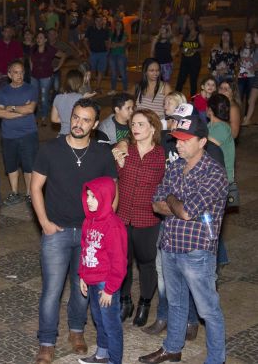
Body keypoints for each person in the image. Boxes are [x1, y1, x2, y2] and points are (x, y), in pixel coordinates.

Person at [31, 98, 118, 364]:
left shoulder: (102, 153)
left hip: (89, 234)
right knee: (52, 290)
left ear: (95, 124)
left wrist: (102, 227)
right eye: (76, 117)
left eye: (86, 120)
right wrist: (44, 222)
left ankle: (77, 330)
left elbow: (113, 193)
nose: (79, 124)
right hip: (56, 231)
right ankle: (47, 341)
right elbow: (35, 187)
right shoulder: (51, 149)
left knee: (84, 288)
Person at [139, 112, 228, 364]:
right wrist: (175, 204)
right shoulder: (176, 166)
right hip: (170, 245)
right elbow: (156, 204)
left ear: (202, 142)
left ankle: (216, 359)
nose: (178, 144)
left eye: (185, 140)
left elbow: (187, 212)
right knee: (176, 303)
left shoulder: (214, 173)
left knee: (208, 310)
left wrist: (171, 200)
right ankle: (172, 349)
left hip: (196, 252)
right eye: (177, 139)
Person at [112, 110, 165, 326]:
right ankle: (125, 301)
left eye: (141, 124)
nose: (135, 128)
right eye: (133, 124)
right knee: (122, 261)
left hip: (148, 218)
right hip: (122, 216)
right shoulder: (124, 151)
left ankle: (144, 302)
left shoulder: (161, 155)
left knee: (147, 263)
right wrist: (119, 153)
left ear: (153, 128)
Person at [77, 177, 127, 364]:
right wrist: (83, 275)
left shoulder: (113, 226)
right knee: (98, 319)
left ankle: (115, 360)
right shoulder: (88, 221)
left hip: (106, 282)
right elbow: (84, 249)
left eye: (94, 197)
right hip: (92, 279)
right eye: (88, 196)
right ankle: (102, 354)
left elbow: (119, 262)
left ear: (105, 198)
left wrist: (110, 289)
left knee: (111, 324)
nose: (89, 200)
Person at [0, 60, 38, 206]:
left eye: (21, 72)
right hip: (8, 135)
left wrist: (11, 108)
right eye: (15, 72)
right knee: (11, 166)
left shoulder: (31, 89)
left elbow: (30, 109)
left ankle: (29, 194)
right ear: (9, 74)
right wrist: (22, 111)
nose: (19, 75)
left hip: (28, 133)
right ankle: (14, 193)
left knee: (29, 166)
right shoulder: (3, 91)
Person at [29, 31, 66, 125]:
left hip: (46, 77)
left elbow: (63, 55)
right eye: (37, 37)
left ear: (45, 40)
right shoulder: (33, 48)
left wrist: (58, 67)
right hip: (34, 76)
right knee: (34, 97)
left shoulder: (50, 49)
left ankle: (44, 117)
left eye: (41, 37)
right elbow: (30, 58)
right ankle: (35, 116)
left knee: (44, 97)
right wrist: (31, 68)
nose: (38, 39)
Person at [51, 70, 94, 136]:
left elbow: (54, 119)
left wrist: (65, 120)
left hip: (62, 135)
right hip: (77, 136)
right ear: (79, 82)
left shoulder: (58, 97)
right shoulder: (81, 98)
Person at [176, 18, 205, 97]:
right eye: (188, 24)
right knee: (180, 81)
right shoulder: (185, 35)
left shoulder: (199, 35)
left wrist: (195, 50)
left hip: (195, 62)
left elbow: (203, 48)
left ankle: (193, 100)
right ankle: (175, 98)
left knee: (193, 82)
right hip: (185, 61)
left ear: (195, 24)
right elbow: (180, 47)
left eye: (191, 23)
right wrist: (182, 50)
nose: (190, 25)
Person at [83, 15, 110, 91]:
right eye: (97, 20)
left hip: (103, 53)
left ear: (102, 21)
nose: (98, 22)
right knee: (91, 71)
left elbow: (107, 42)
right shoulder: (90, 29)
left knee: (101, 71)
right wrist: (89, 51)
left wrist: (107, 52)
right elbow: (85, 41)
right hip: (93, 53)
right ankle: (89, 87)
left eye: (100, 20)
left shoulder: (105, 31)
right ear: (95, 21)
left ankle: (98, 87)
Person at [108, 19, 128, 94]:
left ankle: (125, 90)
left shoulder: (124, 34)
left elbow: (123, 44)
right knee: (113, 73)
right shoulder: (111, 34)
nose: (118, 26)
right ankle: (113, 89)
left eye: (119, 24)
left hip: (121, 55)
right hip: (112, 55)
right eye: (116, 24)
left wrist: (115, 44)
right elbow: (109, 45)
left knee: (122, 73)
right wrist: (116, 44)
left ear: (122, 26)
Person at [237, 31, 255, 110]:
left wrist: (251, 60)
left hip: (251, 75)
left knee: (249, 96)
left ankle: (246, 114)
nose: (247, 39)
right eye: (246, 37)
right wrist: (240, 61)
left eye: (249, 37)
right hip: (242, 73)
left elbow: (255, 62)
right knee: (240, 94)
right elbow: (237, 61)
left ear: (252, 39)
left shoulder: (254, 49)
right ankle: (238, 113)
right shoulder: (240, 49)